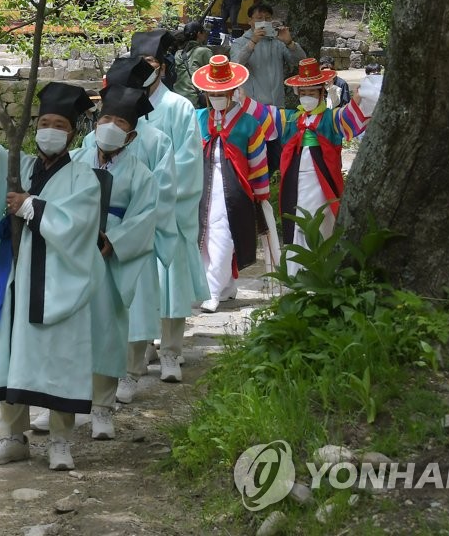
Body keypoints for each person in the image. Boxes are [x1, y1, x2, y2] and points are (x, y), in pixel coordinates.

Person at [0, 80, 101, 471]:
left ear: (73, 133)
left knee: (60, 357)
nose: (50, 130)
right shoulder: (18, 166)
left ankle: (60, 441)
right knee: (8, 353)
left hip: (56, 282)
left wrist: (31, 207)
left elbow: (78, 228)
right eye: (44, 122)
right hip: (12, 276)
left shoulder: (83, 178)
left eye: (60, 124)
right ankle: (12, 437)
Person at [116, 29, 208, 386]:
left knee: (171, 283)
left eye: (151, 63)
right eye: (140, 64)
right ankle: (143, 348)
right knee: (138, 287)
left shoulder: (180, 107)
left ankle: (171, 351)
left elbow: (186, 161)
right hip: (133, 213)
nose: (145, 69)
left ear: (163, 68)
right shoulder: (127, 108)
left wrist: (155, 197)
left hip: (169, 209)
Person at [84, 56, 176, 405]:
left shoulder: (155, 140)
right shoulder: (88, 145)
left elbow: (163, 190)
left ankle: (130, 371)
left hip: (133, 234)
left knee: (133, 306)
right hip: (87, 238)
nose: (110, 124)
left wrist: (128, 235)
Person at [68, 85, 158, 439]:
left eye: (119, 122)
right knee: (68, 331)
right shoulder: (74, 162)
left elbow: (145, 217)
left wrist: (115, 240)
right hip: (72, 255)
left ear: (131, 134)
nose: (110, 126)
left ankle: (102, 408)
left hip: (109, 260)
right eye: (105, 118)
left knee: (106, 331)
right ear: (93, 125)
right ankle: (62, 401)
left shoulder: (140, 174)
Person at [260, 59, 378, 274]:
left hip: (321, 179)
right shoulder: (291, 119)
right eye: (303, 92)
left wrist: (359, 97)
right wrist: (239, 96)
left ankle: (320, 272)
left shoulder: (331, 119)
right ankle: (296, 272)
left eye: (312, 93)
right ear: (297, 92)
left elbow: (351, 116)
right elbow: (263, 114)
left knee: (321, 220)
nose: (307, 97)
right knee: (297, 221)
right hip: (296, 178)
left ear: (322, 93)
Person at [192, 56, 272, 312]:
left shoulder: (249, 123)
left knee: (224, 236)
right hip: (202, 186)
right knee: (203, 237)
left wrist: (261, 195)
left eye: (222, 92)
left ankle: (212, 290)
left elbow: (258, 161)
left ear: (233, 91)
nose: (216, 96)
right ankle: (225, 287)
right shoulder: (197, 118)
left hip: (235, 189)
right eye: (212, 92)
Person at [229, 2, 307, 109]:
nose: (264, 22)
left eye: (267, 18)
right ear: (250, 21)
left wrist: (290, 43)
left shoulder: (278, 42)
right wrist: (253, 42)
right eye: (259, 18)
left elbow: (302, 61)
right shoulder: (239, 42)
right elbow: (235, 66)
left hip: (277, 105)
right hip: (251, 106)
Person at [174, 20, 213, 107]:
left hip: (177, 98)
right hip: (194, 101)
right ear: (199, 34)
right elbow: (213, 76)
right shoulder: (204, 52)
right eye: (203, 32)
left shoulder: (178, 54)